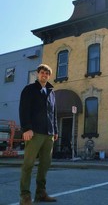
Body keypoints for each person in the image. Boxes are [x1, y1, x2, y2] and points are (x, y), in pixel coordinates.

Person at [19, 64, 58, 205]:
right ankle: (25, 196)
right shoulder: (29, 90)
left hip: (49, 134)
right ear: (37, 74)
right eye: (42, 72)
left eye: (47, 73)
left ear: (49, 76)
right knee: (28, 165)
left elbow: (53, 114)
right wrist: (26, 128)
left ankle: (41, 193)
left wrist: (56, 131)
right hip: (34, 133)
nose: (44, 75)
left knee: (45, 165)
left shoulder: (51, 92)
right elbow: (24, 110)